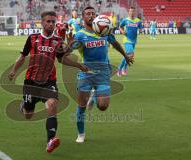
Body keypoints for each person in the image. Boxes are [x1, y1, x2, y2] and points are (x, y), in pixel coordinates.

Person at [8, 11, 88, 153]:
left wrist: (78, 65)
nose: (51, 24)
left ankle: (50, 140)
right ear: (42, 23)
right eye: (48, 21)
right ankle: (25, 105)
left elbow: (62, 58)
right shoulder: (33, 38)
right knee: (28, 115)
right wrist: (14, 71)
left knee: (52, 105)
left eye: (53, 21)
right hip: (31, 82)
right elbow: (22, 56)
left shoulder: (57, 40)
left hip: (49, 81)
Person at [71, 6, 133, 143]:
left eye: (93, 13)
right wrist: (69, 42)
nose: (91, 15)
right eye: (87, 14)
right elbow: (69, 48)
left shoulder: (104, 30)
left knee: (103, 106)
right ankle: (81, 134)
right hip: (86, 73)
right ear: (83, 17)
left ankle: (93, 96)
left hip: (103, 72)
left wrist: (125, 55)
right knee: (81, 106)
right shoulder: (80, 35)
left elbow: (115, 42)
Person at [117, 7, 142, 76]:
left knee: (128, 56)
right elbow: (120, 27)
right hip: (127, 40)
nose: (132, 13)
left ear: (135, 12)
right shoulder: (125, 20)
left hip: (134, 40)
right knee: (130, 54)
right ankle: (120, 69)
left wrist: (140, 30)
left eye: (133, 11)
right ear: (129, 12)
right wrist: (122, 31)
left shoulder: (138, 21)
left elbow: (140, 28)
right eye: (130, 11)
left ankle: (123, 68)